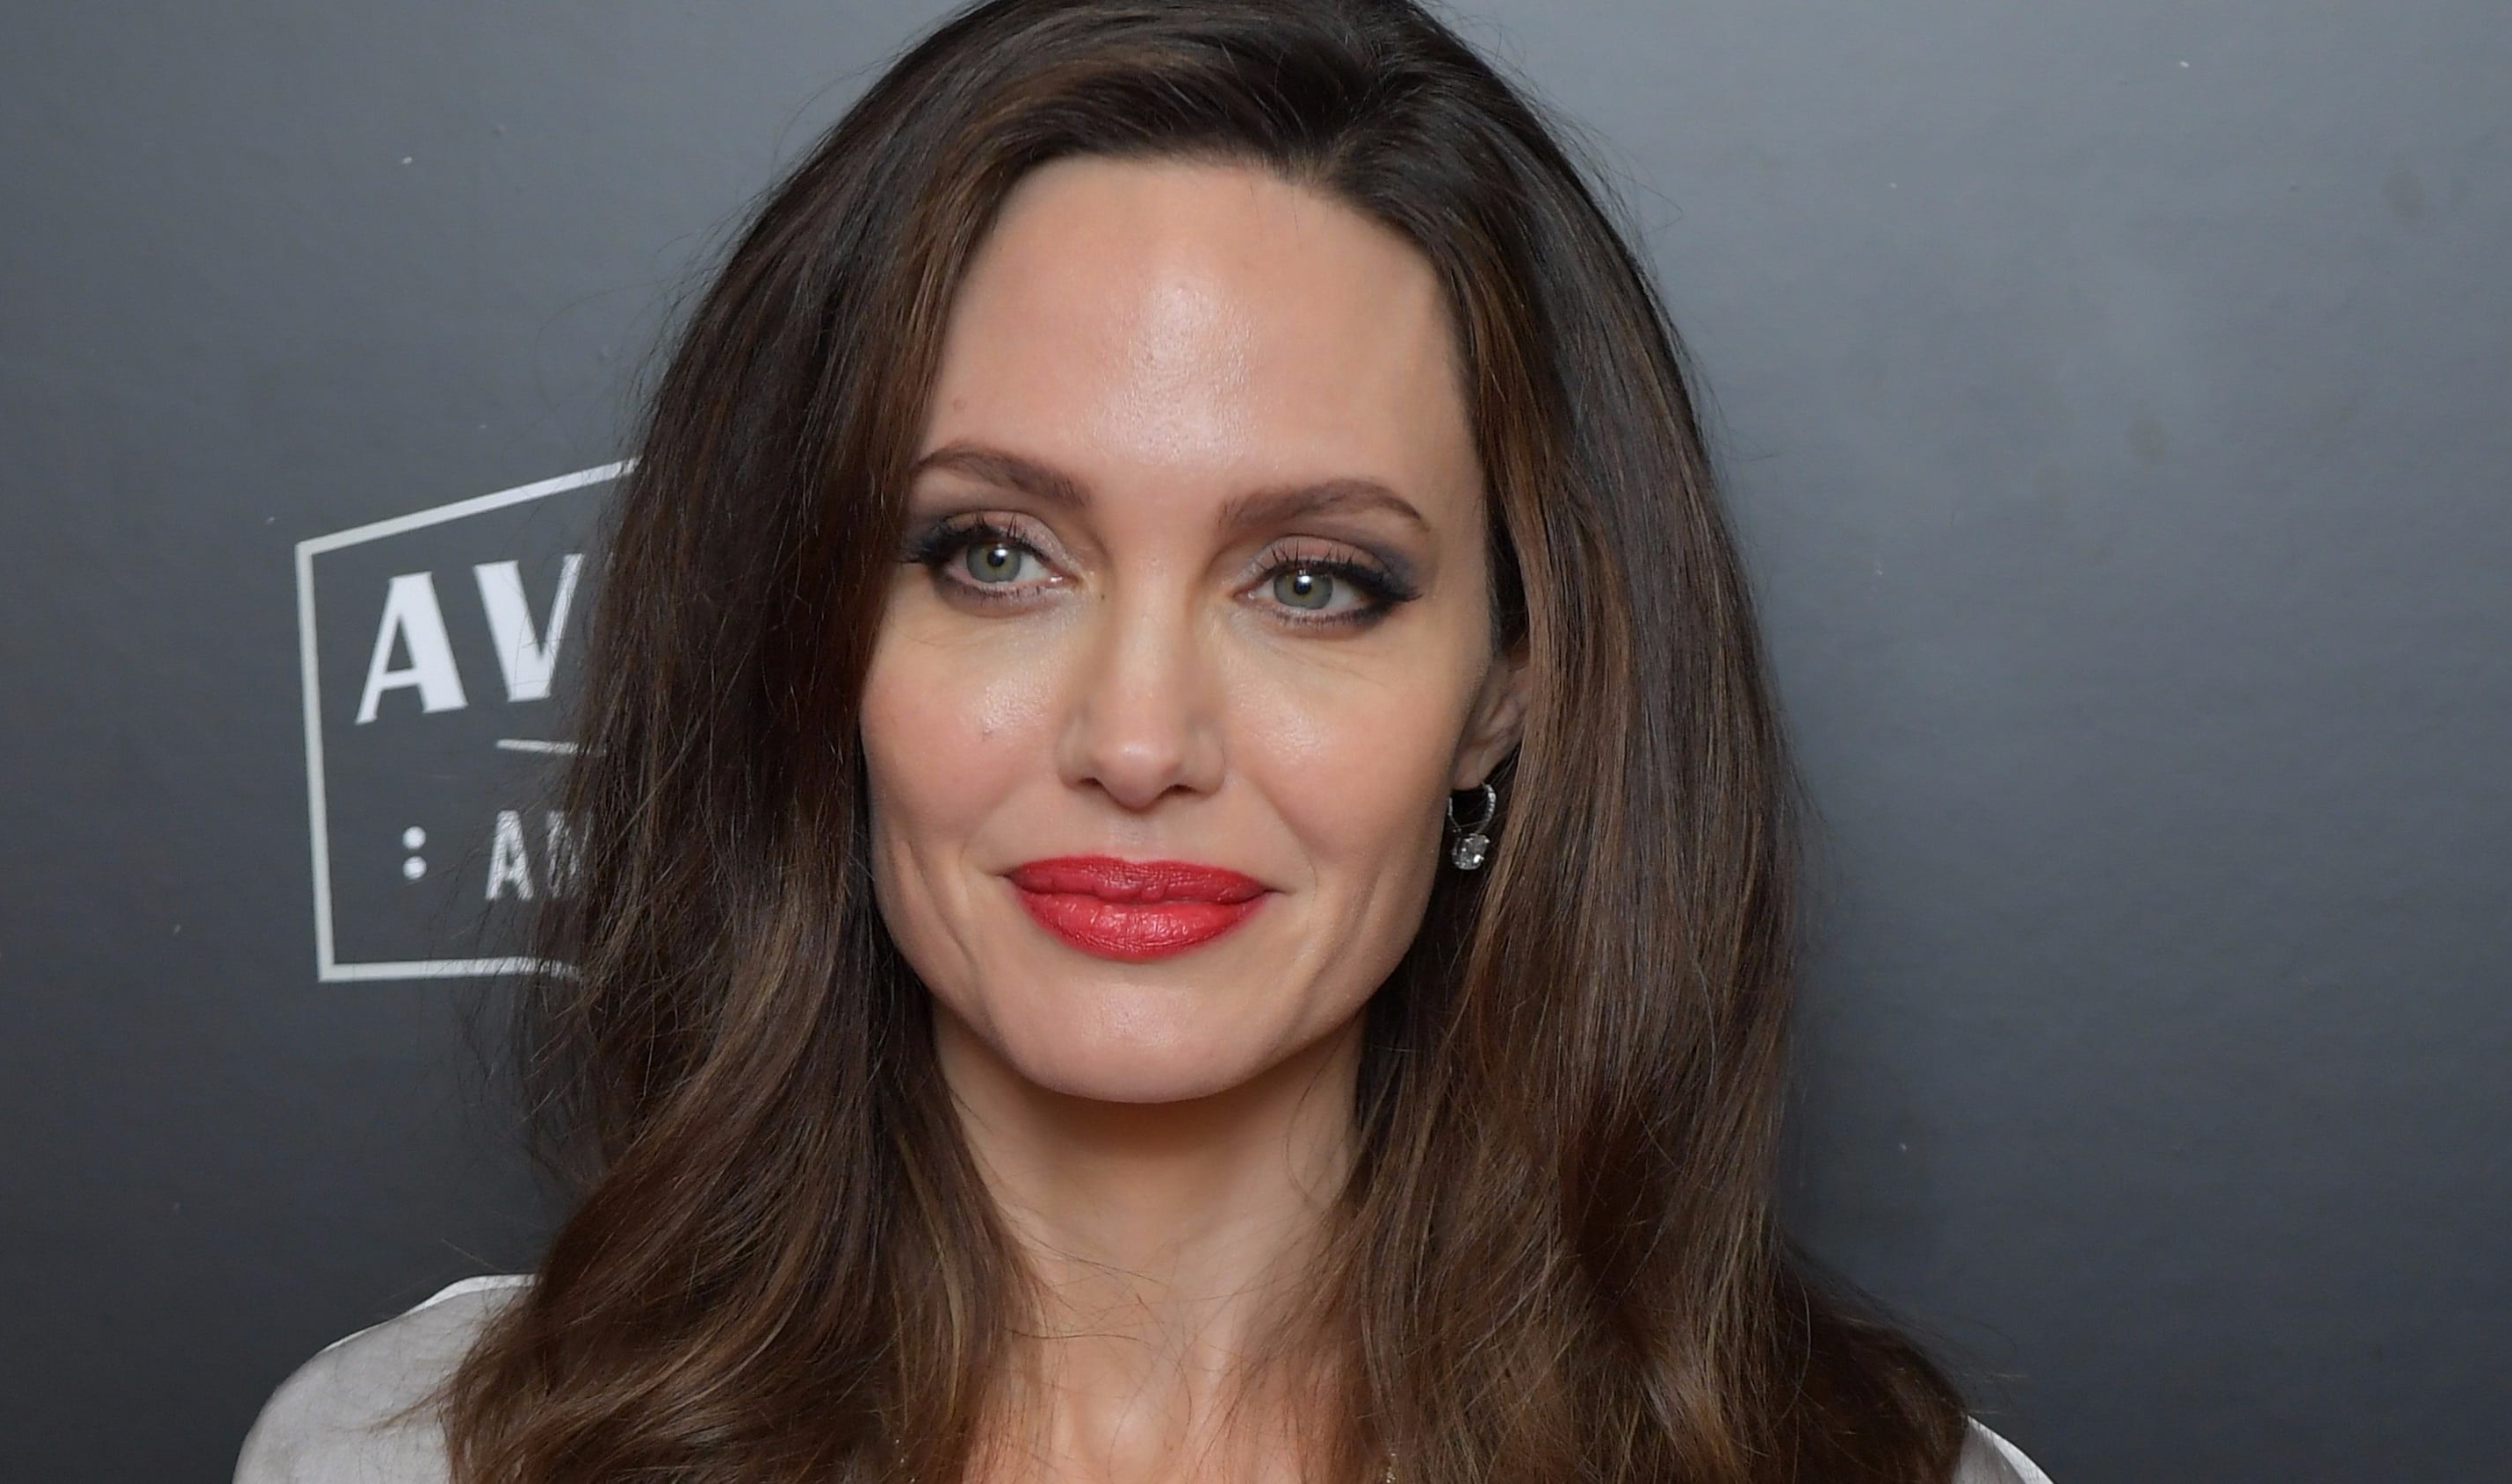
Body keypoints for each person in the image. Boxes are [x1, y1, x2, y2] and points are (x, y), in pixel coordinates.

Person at [239, 2, 2052, 1480]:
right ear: (813, 634)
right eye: (995, 554)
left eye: (1313, 581)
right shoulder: (417, 1459)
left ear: (1510, 685)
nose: (1135, 738)